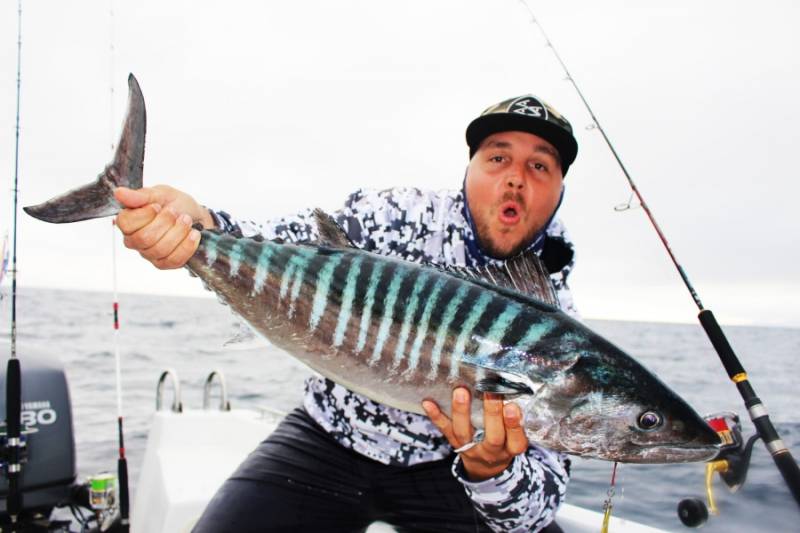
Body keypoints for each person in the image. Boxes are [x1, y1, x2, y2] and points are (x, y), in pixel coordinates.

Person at [115, 95, 579, 532]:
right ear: (470, 169)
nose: (516, 177)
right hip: (330, 435)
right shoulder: (398, 217)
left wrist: (491, 469)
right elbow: (289, 242)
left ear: (559, 189)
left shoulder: (560, 320)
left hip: (445, 468)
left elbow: (536, 507)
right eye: (498, 158)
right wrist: (203, 225)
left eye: (539, 165)